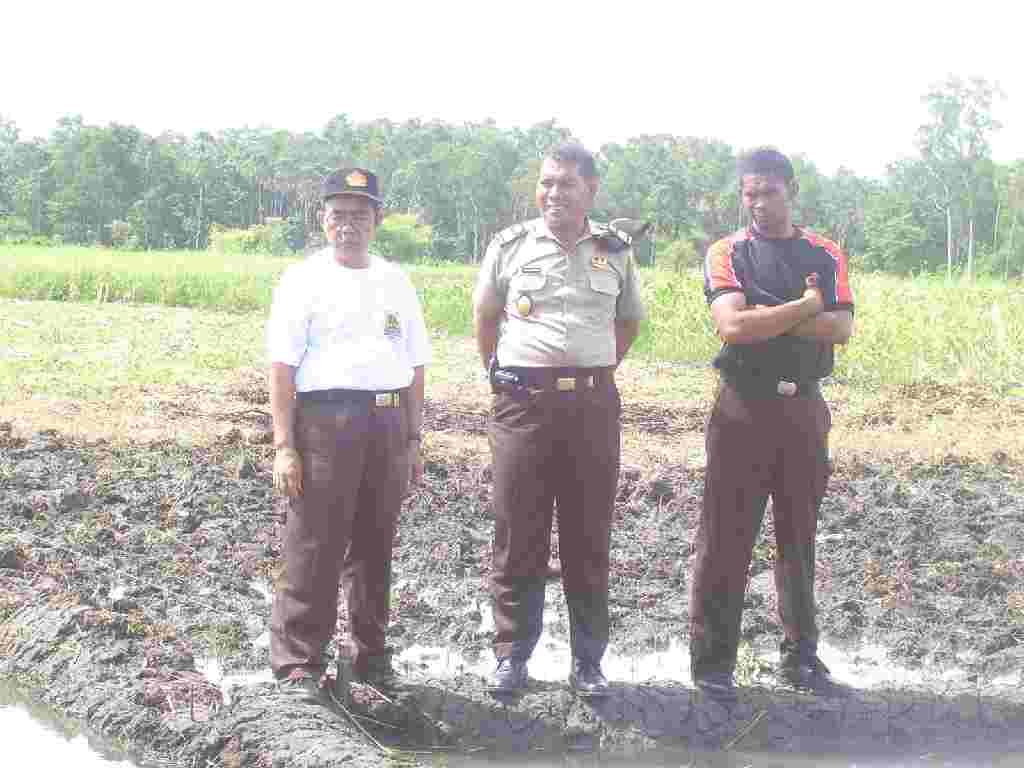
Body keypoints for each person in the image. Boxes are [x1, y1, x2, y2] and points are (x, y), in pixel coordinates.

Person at [472, 143, 646, 697]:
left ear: (590, 190)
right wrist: (505, 376)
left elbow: (627, 325)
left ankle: (588, 663)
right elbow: (485, 317)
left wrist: (586, 372)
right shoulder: (510, 246)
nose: (553, 193)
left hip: (592, 408)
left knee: (587, 537)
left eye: (566, 183)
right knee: (517, 533)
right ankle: (511, 657)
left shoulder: (614, 251)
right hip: (523, 406)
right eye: (546, 183)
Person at [689, 147, 855, 698]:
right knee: (725, 536)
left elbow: (841, 328)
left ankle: (800, 656)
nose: (757, 204)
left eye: (768, 192)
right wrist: (805, 307)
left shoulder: (824, 252)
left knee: (798, 537)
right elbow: (732, 328)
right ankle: (713, 665)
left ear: (791, 191)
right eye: (749, 194)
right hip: (741, 407)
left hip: (804, 409)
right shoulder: (727, 251)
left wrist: (772, 315)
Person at [266, 167, 430, 706]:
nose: (348, 225)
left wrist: (413, 439)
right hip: (324, 422)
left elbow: (416, 364)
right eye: (338, 214)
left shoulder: (395, 281)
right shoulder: (302, 280)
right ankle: (298, 664)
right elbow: (283, 369)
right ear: (323, 219)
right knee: (314, 542)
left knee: (375, 544)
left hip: (385, 420)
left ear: (377, 220)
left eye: (360, 215)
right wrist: (285, 446)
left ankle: (370, 656)